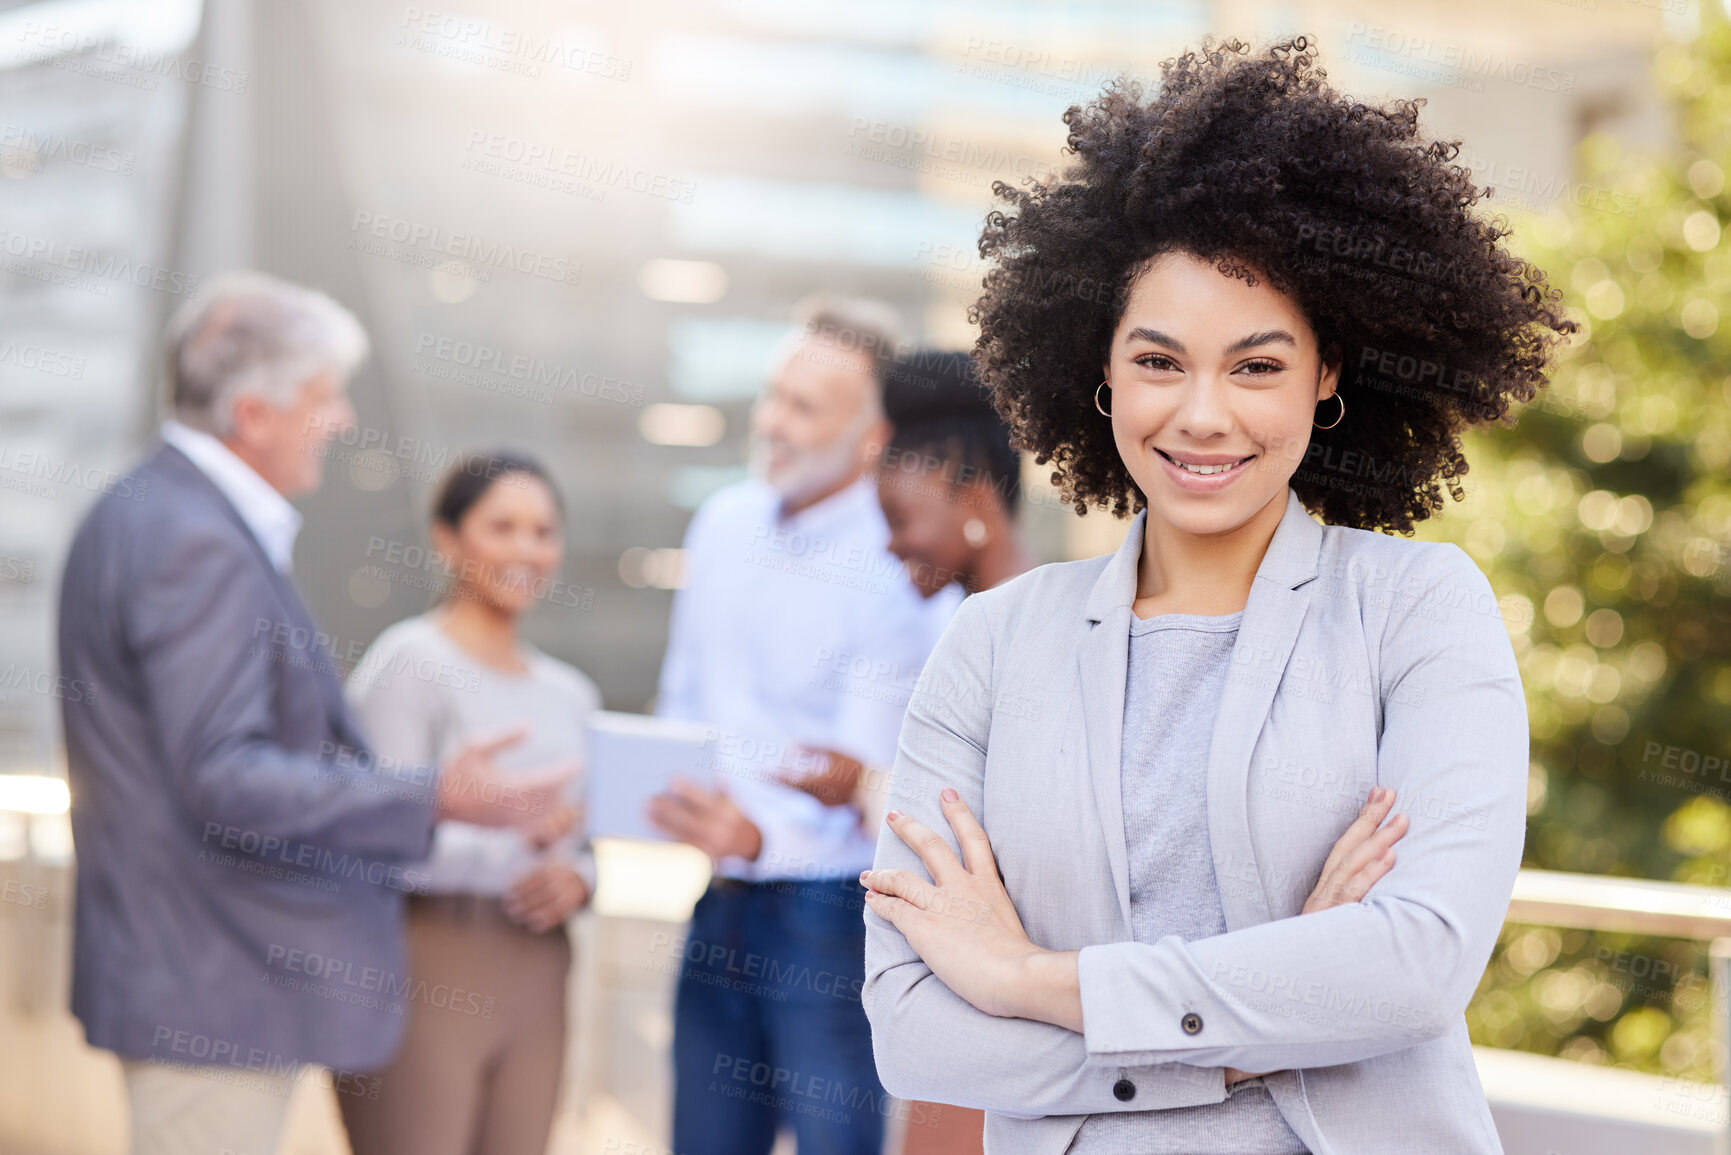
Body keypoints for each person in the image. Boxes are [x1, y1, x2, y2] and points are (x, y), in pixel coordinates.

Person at [859, 36, 1574, 1155]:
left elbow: (1416, 966)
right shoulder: (994, 643)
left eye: (1256, 365)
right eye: (1158, 362)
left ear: (1327, 373)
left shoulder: (1418, 607)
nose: (1202, 416)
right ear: (1097, 370)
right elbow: (915, 1033)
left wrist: (1030, 977)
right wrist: (1274, 1019)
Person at [56, 272, 571, 1155]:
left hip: (196, 975)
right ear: (253, 413)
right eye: (323, 397)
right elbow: (224, 776)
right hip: (211, 985)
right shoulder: (195, 540)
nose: (339, 420)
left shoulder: (153, 509)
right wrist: (432, 797)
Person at [650, 295, 960, 1155]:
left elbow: (869, 760)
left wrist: (758, 829)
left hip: (828, 912)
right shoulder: (721, 522)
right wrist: (684, 799)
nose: (773, 422)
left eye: (804, 407)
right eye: (773, 395)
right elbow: (684, 698)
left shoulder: (899, 551)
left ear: (869, 435)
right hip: (718, 898)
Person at [337, 451, 598, 1155]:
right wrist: (510, 842)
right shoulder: (410, 661)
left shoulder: (571, 694)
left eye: (543, 531)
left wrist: (578, 878)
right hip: (427, 951)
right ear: (447, 538)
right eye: (502, 526)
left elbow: (584, 841)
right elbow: (368, 827)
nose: (527, 549)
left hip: (540, 961)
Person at [870, 349, 1032, 1155]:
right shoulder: (971, 637)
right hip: (957, 999)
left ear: (973, 498)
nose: (890, 546)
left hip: (1007, 1007)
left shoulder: (1037, 639)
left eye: (899, 519)